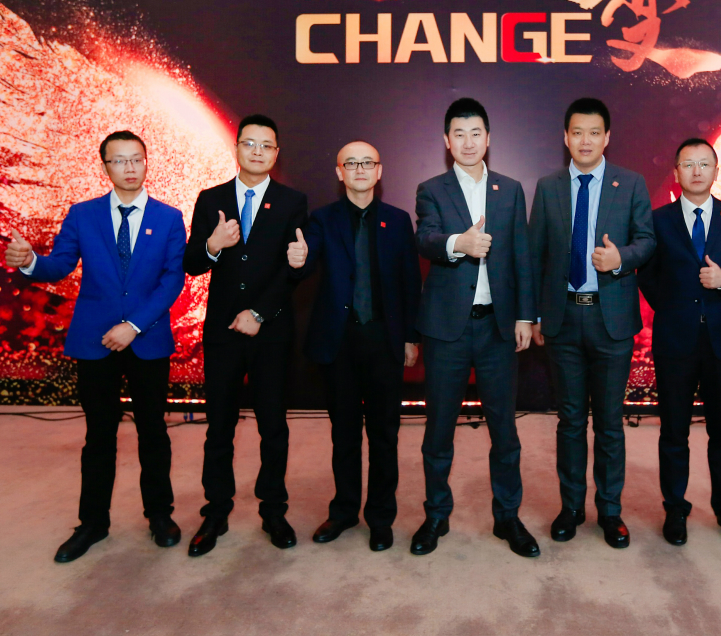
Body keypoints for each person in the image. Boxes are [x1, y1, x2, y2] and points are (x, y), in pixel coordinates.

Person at [5, 130, 186, 563]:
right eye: (119, 160)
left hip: (147, 340)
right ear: (105, 167)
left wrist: (134, 325)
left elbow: (172, 280)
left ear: (147, 162)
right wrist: (29, 261)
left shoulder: (169, 217)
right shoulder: (83, 214)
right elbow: (59, 265)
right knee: (99, 435)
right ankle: (92, 523)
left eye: (136, 159)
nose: (129, 168)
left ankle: (159, 515)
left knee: (153, 432)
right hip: (94, 341)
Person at [411, 98, 539, 557]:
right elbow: (425, 238)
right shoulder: (431, 189)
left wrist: (525, 316)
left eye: (476, 133)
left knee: (504, 429)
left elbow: (522, 254)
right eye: (459, 134)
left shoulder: (510, 189)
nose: (468, 142)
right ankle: (436, 515)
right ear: (447, 141)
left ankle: (508, 517)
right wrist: (458, 243)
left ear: (489, 138)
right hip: (446, 328)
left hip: (497, 328)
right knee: (438, 429)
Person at [528, 98, 655, 548]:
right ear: (566, 138)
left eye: (594, 132)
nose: (586, 140)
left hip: (610, 319)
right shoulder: (548, 186)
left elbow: (647, 241)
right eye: (577, 132)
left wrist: (621, 259)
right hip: (562, 319)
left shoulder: (631, 183)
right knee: (569, 421)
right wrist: (534, 314)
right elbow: (535, 254)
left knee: (609, 422)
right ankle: (571, 507)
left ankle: (610, 511)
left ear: (607, 137)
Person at [182, 114, 309, 556]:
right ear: (236, 148)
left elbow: (295, 268)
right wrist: (213, 244)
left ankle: (273, 510)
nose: (257, 152)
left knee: (273, 425)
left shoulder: (293, 201)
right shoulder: (211, 198)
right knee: (219, 425)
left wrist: (259, 312)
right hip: (223, 332)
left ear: (276, 153)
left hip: (271, 331)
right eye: (249, 143)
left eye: (266, 145)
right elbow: (192, 263)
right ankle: (215, 511)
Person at [297, 141, 421, 552]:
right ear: (340, 173)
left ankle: (381, 517)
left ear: (379, 170)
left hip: (384, 340)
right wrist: (298, 257)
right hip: (340, 342)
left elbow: (410, 282)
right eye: (351, 163)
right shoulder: (322, 219)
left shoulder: (398, 220)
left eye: (368, 162)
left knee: (384, 435)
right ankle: (344, 510)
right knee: (344, 433)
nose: (360, 169)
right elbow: (308, 259)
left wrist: (411, 337)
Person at [638, 138, 721, 548]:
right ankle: (675, 509)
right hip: (675, 340)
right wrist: (675, 308)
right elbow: (648, 276)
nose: (696, 171)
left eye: (704, 164)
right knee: (674, 431)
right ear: (676, 172)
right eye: (688, 164)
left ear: (716, 171)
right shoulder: (658, 219)